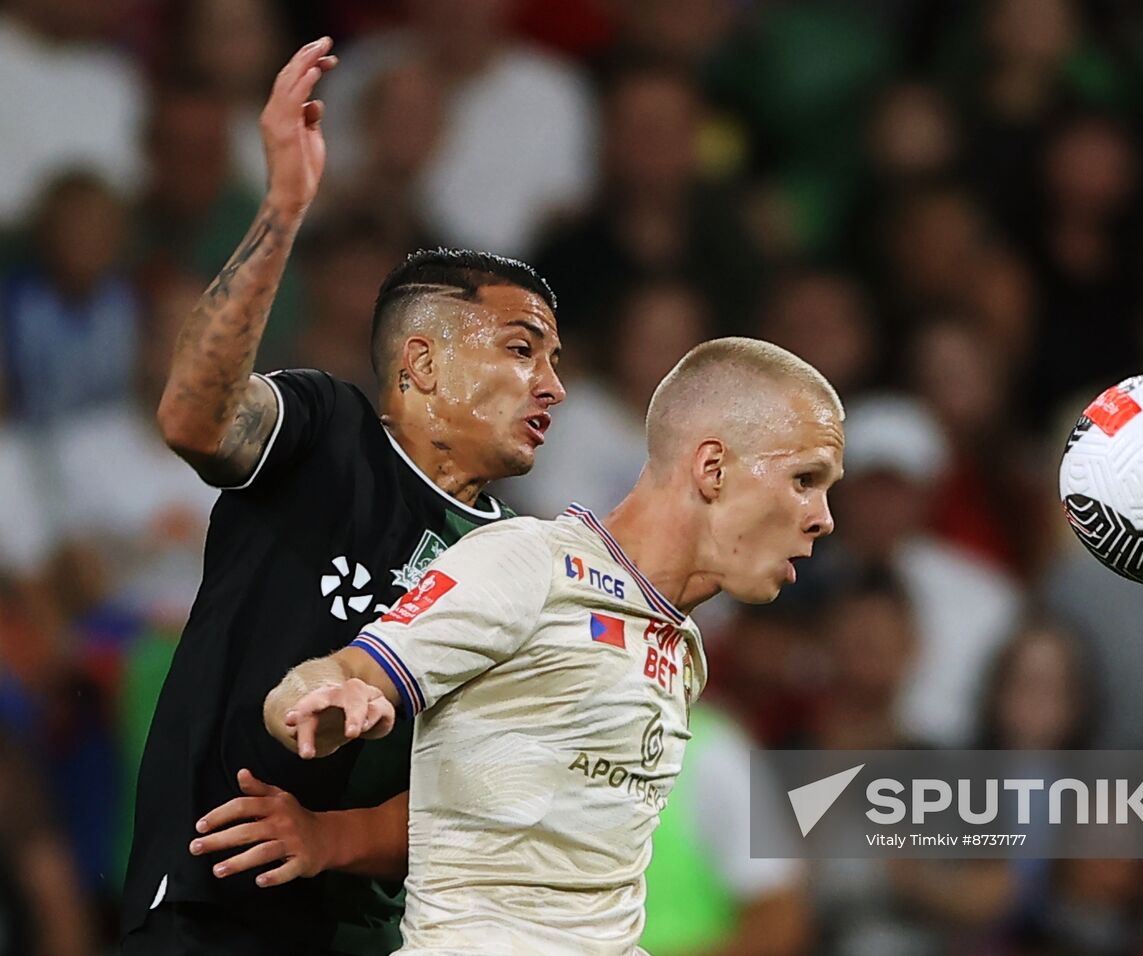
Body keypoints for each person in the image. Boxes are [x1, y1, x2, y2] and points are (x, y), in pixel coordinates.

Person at [120, 38, 567, 956]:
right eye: (523, 350)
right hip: (219, 908)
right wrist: (283, 209)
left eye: (556, 361)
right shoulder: (328, 433)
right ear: (423, 362)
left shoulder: (522, 557)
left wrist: (332, 839)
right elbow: (193, 417)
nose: (553, 385)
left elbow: (487, 790)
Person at [262, 337, 844, 954]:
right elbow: (334, 675)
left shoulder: (681, 646)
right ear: (712, 468)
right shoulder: (529, 563)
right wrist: (323, 700)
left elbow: (482, 804)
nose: (824, 517)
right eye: (806, 479)